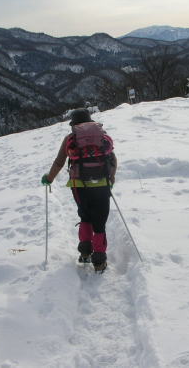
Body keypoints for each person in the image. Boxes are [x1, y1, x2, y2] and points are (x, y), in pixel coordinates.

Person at [41, 109, 117, 271]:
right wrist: (111, 178)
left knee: (85, 216)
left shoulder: (71, 138)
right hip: (101, 184)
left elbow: (59, 162)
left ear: (73, 124)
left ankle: (85, 252)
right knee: (100, 221)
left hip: (79, 185)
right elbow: (112, 159)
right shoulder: (101, 135)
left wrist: (49, 178)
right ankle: (99, 261)